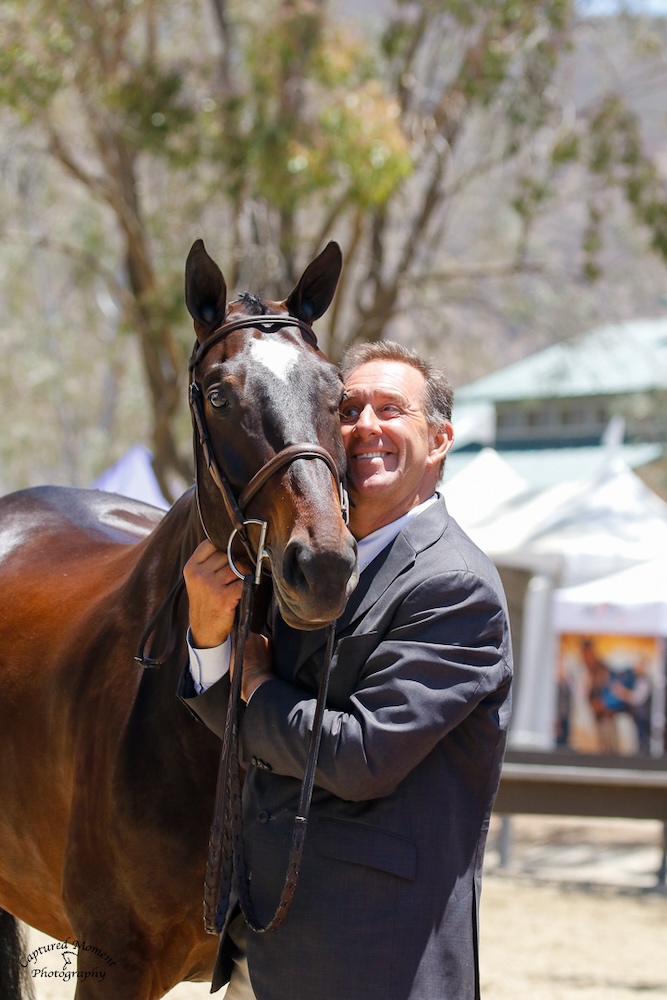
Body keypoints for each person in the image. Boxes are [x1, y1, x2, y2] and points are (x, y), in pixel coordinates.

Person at [179, 341, 513, 1000]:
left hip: (371, 958)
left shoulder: (454, 587)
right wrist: (206, 637)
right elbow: (251, 740)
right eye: (348, 409)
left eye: (391, 410)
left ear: (439, 439)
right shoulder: (309, 570)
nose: (364, 427)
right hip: (264, 946)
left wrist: (252, 682)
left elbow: (359, 757)